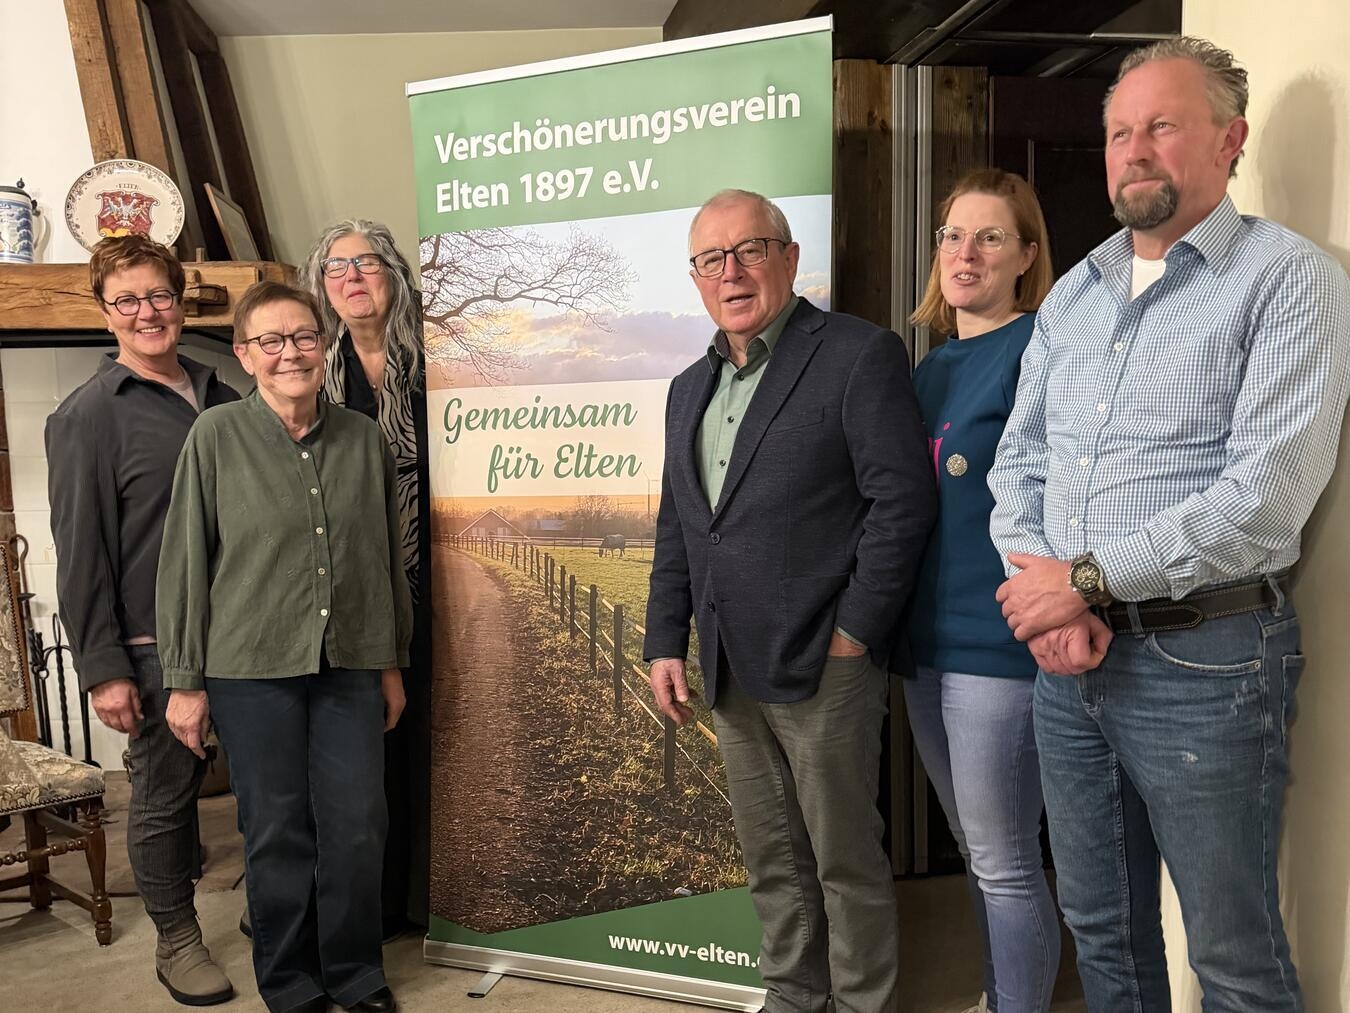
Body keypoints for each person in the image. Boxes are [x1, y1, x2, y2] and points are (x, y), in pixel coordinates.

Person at [988, 37, 1350, 1012]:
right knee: (1103, 932)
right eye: (1118, 132)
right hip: (1069, 662)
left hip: (1211, 661)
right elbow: (1019, 463)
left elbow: (1268, 493)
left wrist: (1088, 579)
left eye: (1162, 126)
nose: (1134, 149)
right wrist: (1049, 595)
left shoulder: (1289, 279)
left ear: (1230, 140)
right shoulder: (1074, 293)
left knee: (1230, 952)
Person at [643, 189, 934, 1013]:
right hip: (730, 663)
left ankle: (862, 1003)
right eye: (712, 258)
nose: (731, 272)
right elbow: (682, 522)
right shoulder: (685, 388)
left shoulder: (855, 354)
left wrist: (854, 632)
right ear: (696, 277)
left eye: (750, 250)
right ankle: (793, 995)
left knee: (843, 859)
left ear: (790, 258)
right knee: (772, 855)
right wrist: (667, 638)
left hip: (825, 663)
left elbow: (901, 503)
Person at [158, 281, 412, 1013]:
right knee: (275, 827)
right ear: (246, 355)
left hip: (352, 663)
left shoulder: (363, 439)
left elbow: (381, 560)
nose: (290, 352)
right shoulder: (214, 437)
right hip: (249, 668)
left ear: (323, 343)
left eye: (302, 336)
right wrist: (185, 680)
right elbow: (185, 563)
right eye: (270, 341)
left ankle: (355, 971)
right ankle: (291, 977)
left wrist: (389, 661)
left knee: (359, 822)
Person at [46, 235, 238, 1006]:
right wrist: (103, 667)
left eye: (158, 294)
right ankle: (178, 939)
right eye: (127, 299)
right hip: (154, 646)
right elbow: (80, 550)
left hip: (247, 633)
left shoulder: (223, 390)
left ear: (180, 298)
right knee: (163, 796)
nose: (147, 312)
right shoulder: (88, 417)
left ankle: (278, 914)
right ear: (105, 312)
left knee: (263, 788)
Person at [906, 169, 1058, 1013]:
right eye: (953, 236)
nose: (966, 253)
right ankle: (1000, 996)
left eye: (991, 236)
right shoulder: (931, 369)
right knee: (978, 848)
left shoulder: (1039, 351)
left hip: (1000, 648)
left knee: (1004, 858)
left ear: (1026, 256)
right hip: (927, 645)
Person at [300, 220, 431, 935]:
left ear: (396, 275)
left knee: (431, 738)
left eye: (368, 262)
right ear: (322, 288)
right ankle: (372, 904)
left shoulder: (439, 359)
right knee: (367, 746)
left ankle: (429, 897)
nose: (353, 276)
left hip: (436, 579)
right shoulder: (313, 371)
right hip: (353, 589)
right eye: (336, 267)